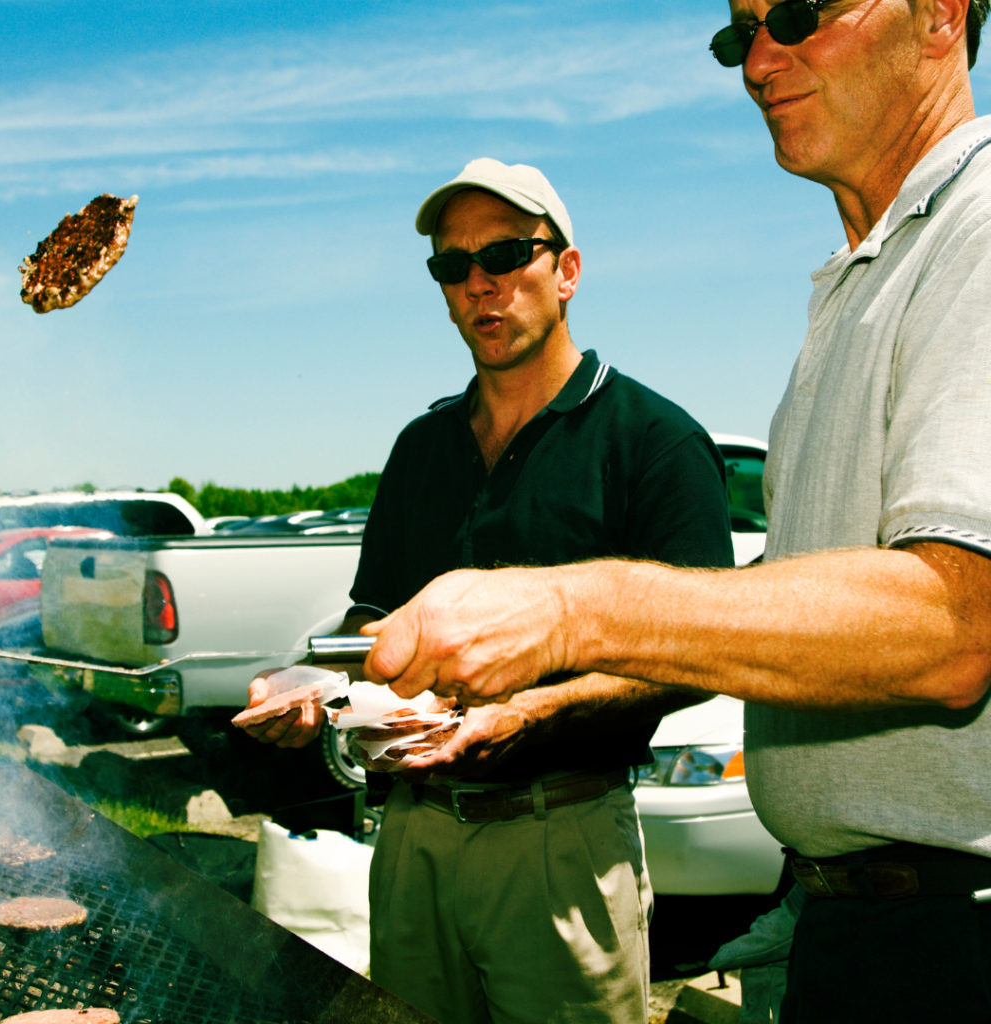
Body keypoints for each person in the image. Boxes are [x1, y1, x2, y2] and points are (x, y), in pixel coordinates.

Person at [360, 2, 991, 1021]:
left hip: (950, 932)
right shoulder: (864, 280)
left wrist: (572, 614)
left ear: (939, 17)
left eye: (795, 14)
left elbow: (955, 619)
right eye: (735, 36)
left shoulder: (980, 231)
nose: (758, 62)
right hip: (855, 914)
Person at [239, 157, 734, 1024]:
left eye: (506, 256)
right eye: (452, 265)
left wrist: (537, 716)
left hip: (560, 837)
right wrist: (316, 682)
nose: (480, 285)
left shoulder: (652, 440)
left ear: (566, 270)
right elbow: (374, 617)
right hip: (414, 835)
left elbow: (700, 656)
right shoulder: (422, 446)